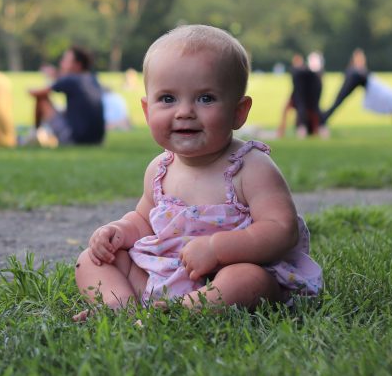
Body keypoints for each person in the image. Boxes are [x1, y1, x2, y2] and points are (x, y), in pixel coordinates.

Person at [73, 25, 321, 321]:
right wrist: (118, 231)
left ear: (238, 112)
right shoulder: (159, 170)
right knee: (90, 260)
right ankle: (122, 311)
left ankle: (182, 312)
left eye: (205, 98)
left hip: (227, 275)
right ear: (146, 109)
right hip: (165, 273)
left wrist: (218, 249)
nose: (184, 111)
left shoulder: (250, 167)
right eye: (167, 99)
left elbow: (282, 231)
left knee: (247, 281)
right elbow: (143, 220)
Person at [29, 46, 105, 146]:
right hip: (97, 140)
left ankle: (34, 135)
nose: (61, 64)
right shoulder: (92, 79)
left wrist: (28, 89)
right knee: (63, 110)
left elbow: (38, 93)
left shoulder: (71, 79)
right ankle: (38, 135)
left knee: (42, 100)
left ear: (77, 65)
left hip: (75, 139)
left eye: (65, 60)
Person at [320, 48, 370, 124]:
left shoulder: (360, 70)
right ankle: (323, 117)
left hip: (348, 88)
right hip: (346, 89)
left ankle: (323, 117)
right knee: (337, 103)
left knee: (337, 103)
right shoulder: (354, 70)